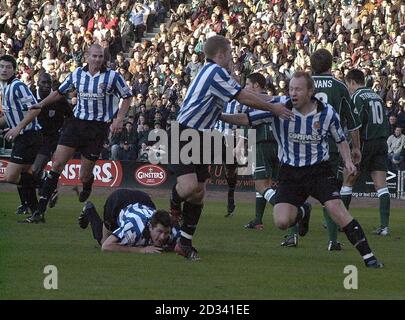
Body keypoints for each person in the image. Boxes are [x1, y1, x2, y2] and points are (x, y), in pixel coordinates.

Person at [220, 72, 383, 268]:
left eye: (298, 89)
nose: (293, 93)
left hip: (318, 171)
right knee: (281, 222)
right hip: (290, 173)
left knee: (337, 211)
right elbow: (246, 118)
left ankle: (369, 257)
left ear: (310, 91)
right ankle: (303, 212)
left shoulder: (327, 112)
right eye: (290, 89)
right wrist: (220, 116)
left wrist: (348, 160)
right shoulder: (280, 107)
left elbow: (340, 139)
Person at [169, 35, 293, 260]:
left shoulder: (212, 74)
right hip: (184, 131)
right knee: (188, 188)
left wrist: (281, 101)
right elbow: (244, 97)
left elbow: (236, 109)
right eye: (230, 53)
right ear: (222, 54)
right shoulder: (215, 72)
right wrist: (273, 108)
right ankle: (174, 205)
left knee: (198, 193)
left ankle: (184, 243)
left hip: (202, 135)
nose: (232, 57)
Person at [25, 44, 133, 223]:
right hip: (76, 124)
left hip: (97, 128)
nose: (98, 59)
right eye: (94, 56)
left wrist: (119, 118)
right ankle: (40, 211)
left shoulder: (113, 76)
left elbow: (128, 96)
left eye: (100, 56)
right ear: (87, 56)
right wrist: (41, 104)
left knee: (83, 175)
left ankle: (87, 183)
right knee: (57, 164)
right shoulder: (77, 74)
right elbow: (59, 93)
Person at [288, 48, 361, 251]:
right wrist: (356, 147)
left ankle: (292, 236)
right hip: (330, 145)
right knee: (331, 193)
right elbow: (352, 122)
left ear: (311, 64)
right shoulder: (340, 86)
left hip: (301, 141)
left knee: (295, 190)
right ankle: (332, 241)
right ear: (331, 64)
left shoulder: (303, 84)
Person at [240, 73, 311, 236]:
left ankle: (298, 211)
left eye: (248, 84)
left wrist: (243, 144)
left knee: (260, 184)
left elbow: (247, 123)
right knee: (278, 186)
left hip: (261, 143)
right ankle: (266, 222)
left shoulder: (254, 101)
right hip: (280, 146)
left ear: (257, 86)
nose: (246, 88)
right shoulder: (278, 100)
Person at [15, 72, 73, 215]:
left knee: (34, 170)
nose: (46, 86)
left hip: (49, 140)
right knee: (20, 171)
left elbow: (71, 116)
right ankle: (26, 203)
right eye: (43, 83)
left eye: (48, 83)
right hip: (30, 137)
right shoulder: (30, 97)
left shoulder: (58, 100)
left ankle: (45, 184)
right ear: (37, 83)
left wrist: (64, 132)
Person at [342, 69, 391, 236]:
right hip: (382, 142)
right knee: (381, 186)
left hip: (366, 142)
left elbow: (356, 123)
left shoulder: (357, 97)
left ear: (352, 82)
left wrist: (353, 145)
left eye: (348, 85)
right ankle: (384, 227)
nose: (348, 88)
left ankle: (341, 222)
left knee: (348, 178)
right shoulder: (377, 96)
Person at [0, 54, 42, 218]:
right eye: (2, 66)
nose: (4, 69)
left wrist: (17, 128)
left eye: (8, 67)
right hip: (23, 137)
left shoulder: (18, 86)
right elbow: (9, 115)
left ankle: (45, 184)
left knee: (11, 176)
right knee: (25, 176)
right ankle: (36, 212)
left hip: (29, 136)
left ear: (14, 70)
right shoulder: (4, 87)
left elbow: (36, 108)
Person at [78, 189, 179, 253]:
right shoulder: (133, 227)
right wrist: (141, 250)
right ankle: (89, 209)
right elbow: (106, 247)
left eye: (166, 233)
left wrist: (170, 248)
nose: (163, 237)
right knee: (103, 241)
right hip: (119, 201)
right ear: (150, 226)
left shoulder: (172, 231)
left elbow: (182, 244)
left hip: (144, 199)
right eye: (160, 232)